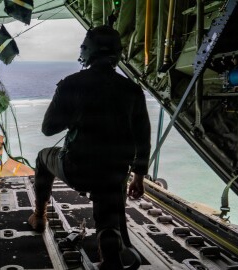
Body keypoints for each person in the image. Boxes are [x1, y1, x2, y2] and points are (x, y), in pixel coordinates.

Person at [27, 25, 151, 270]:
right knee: (108, 204)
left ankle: (39, 216)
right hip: (115, 173)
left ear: (87, 52)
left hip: (78, 168)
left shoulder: (72, 84)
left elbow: (48, 128)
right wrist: (138, 177)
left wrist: (71, 112)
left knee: (43, 158)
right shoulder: (133, 91)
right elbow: (143, 137)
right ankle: (108, 238)